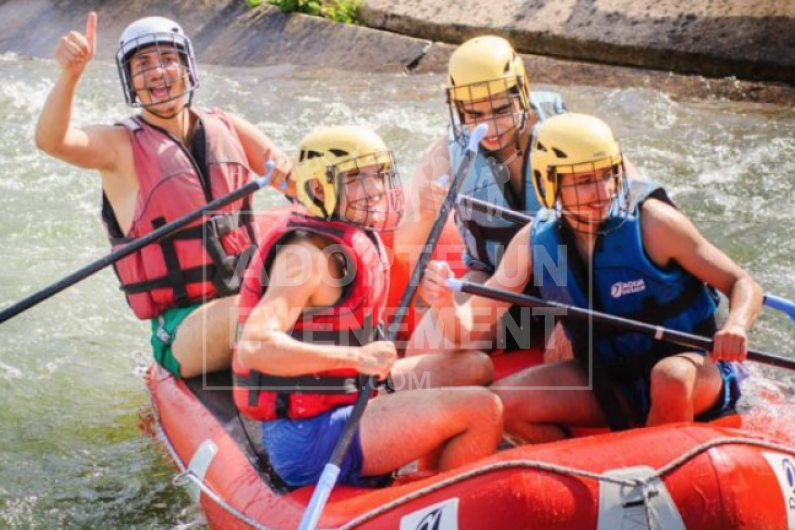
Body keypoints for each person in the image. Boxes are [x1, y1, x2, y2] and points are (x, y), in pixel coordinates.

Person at [419, 113, 761, 442]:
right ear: (548, 182)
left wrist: (736, 326)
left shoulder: (653, 224)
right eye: (584, 181)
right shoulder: (535, 242)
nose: (602, 190)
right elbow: (467, 327)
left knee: (669, 378)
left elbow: (743, 284)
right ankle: (581, 472)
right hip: (610, 377)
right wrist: (445, 302)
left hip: (693, 370)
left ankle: (653, 467)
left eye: (607, 175)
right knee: (499, 404)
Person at [233, 126, 502, 487]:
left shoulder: (347, 231)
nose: (374, 189)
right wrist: (357, 360)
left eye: (377, 175)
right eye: (357, 178)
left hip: (347, 396)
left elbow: (364, 290)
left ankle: (424, 477)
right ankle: (431, 500)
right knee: (484, 411)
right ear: (317, 188)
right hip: (310, 436)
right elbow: (255, 346)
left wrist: (426, 254)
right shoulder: (304, 257)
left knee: (474, 367)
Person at [34, 13, 293, 378]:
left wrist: (294, 173)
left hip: (249, 296)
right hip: (182, 327)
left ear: (187, 69)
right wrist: (70, 75)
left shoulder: (227, 126)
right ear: (132, 83)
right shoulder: (119, 147)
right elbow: (51, 141)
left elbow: (299, 182)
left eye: (168, 59)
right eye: (143, 65)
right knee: (262, 305)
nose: (158, 72)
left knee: (310, 276)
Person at [397, 35, 571, 358]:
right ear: (458, 109)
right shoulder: (445, 152)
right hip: (492, 279)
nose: (489, 128)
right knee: (423, 350)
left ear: (522, 93)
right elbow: (403, 245)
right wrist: (423, 215)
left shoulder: (568, 132)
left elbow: (634, 204)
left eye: (501, 110)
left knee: (563, 355)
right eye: (474, 115)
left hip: (568, 285)